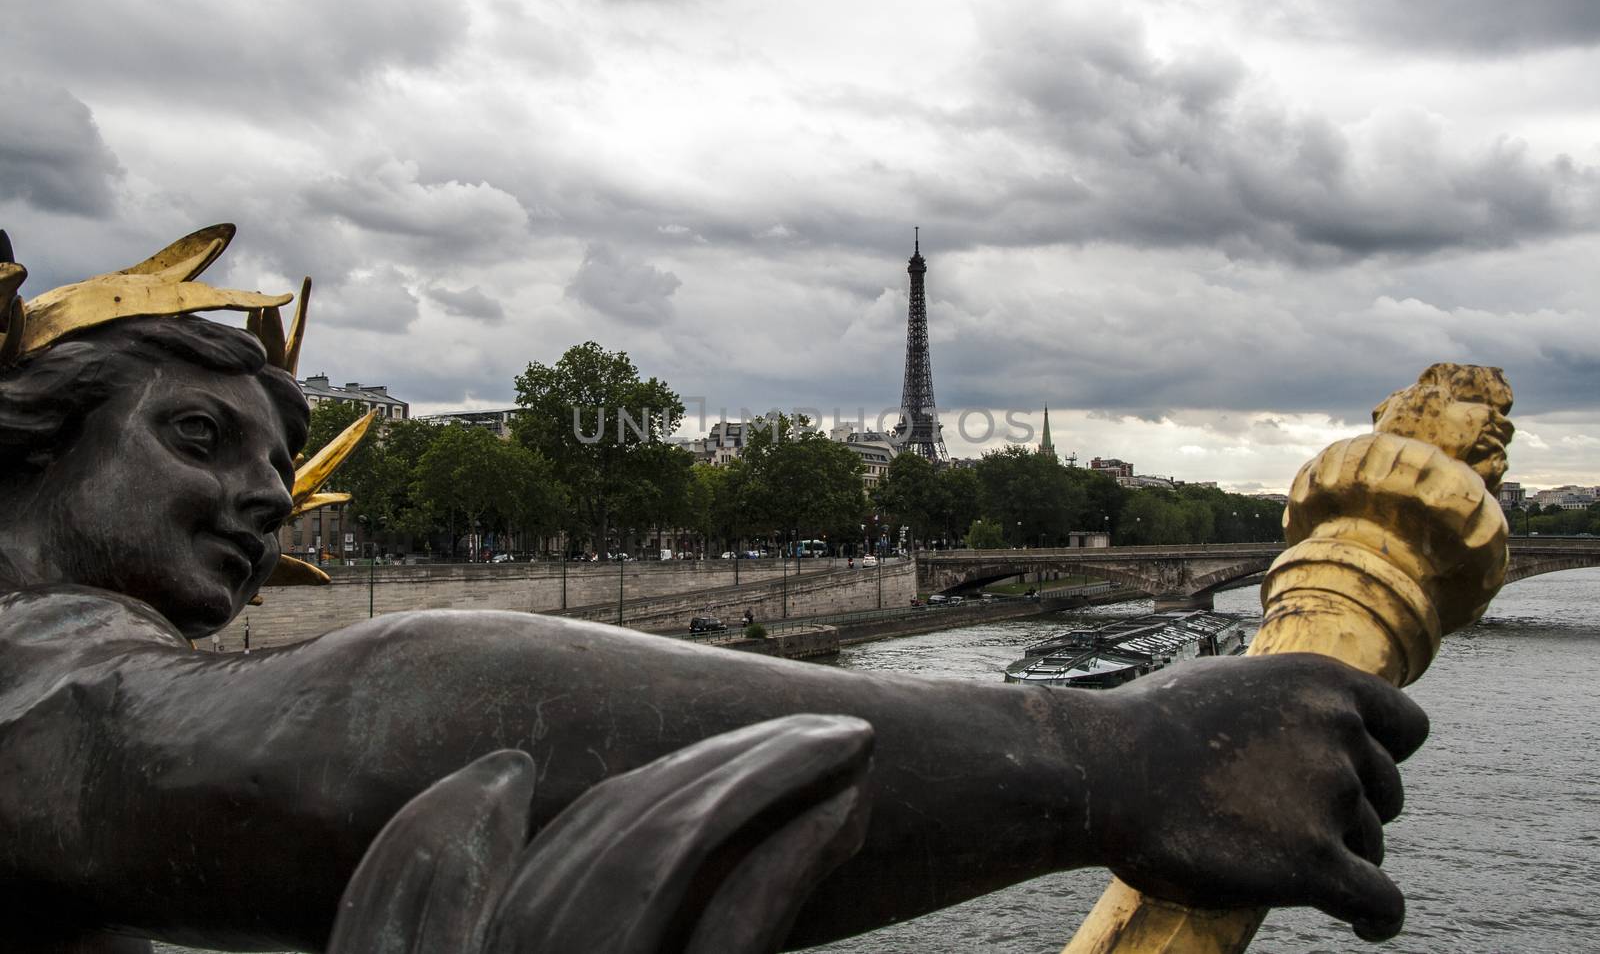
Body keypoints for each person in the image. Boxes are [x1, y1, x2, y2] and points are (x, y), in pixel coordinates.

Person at [0, 297, 1426, 950]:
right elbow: (349, 728)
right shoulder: (29, 693)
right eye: (201, 437)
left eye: (277, 463)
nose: (265, 497)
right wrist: (1111, 761)